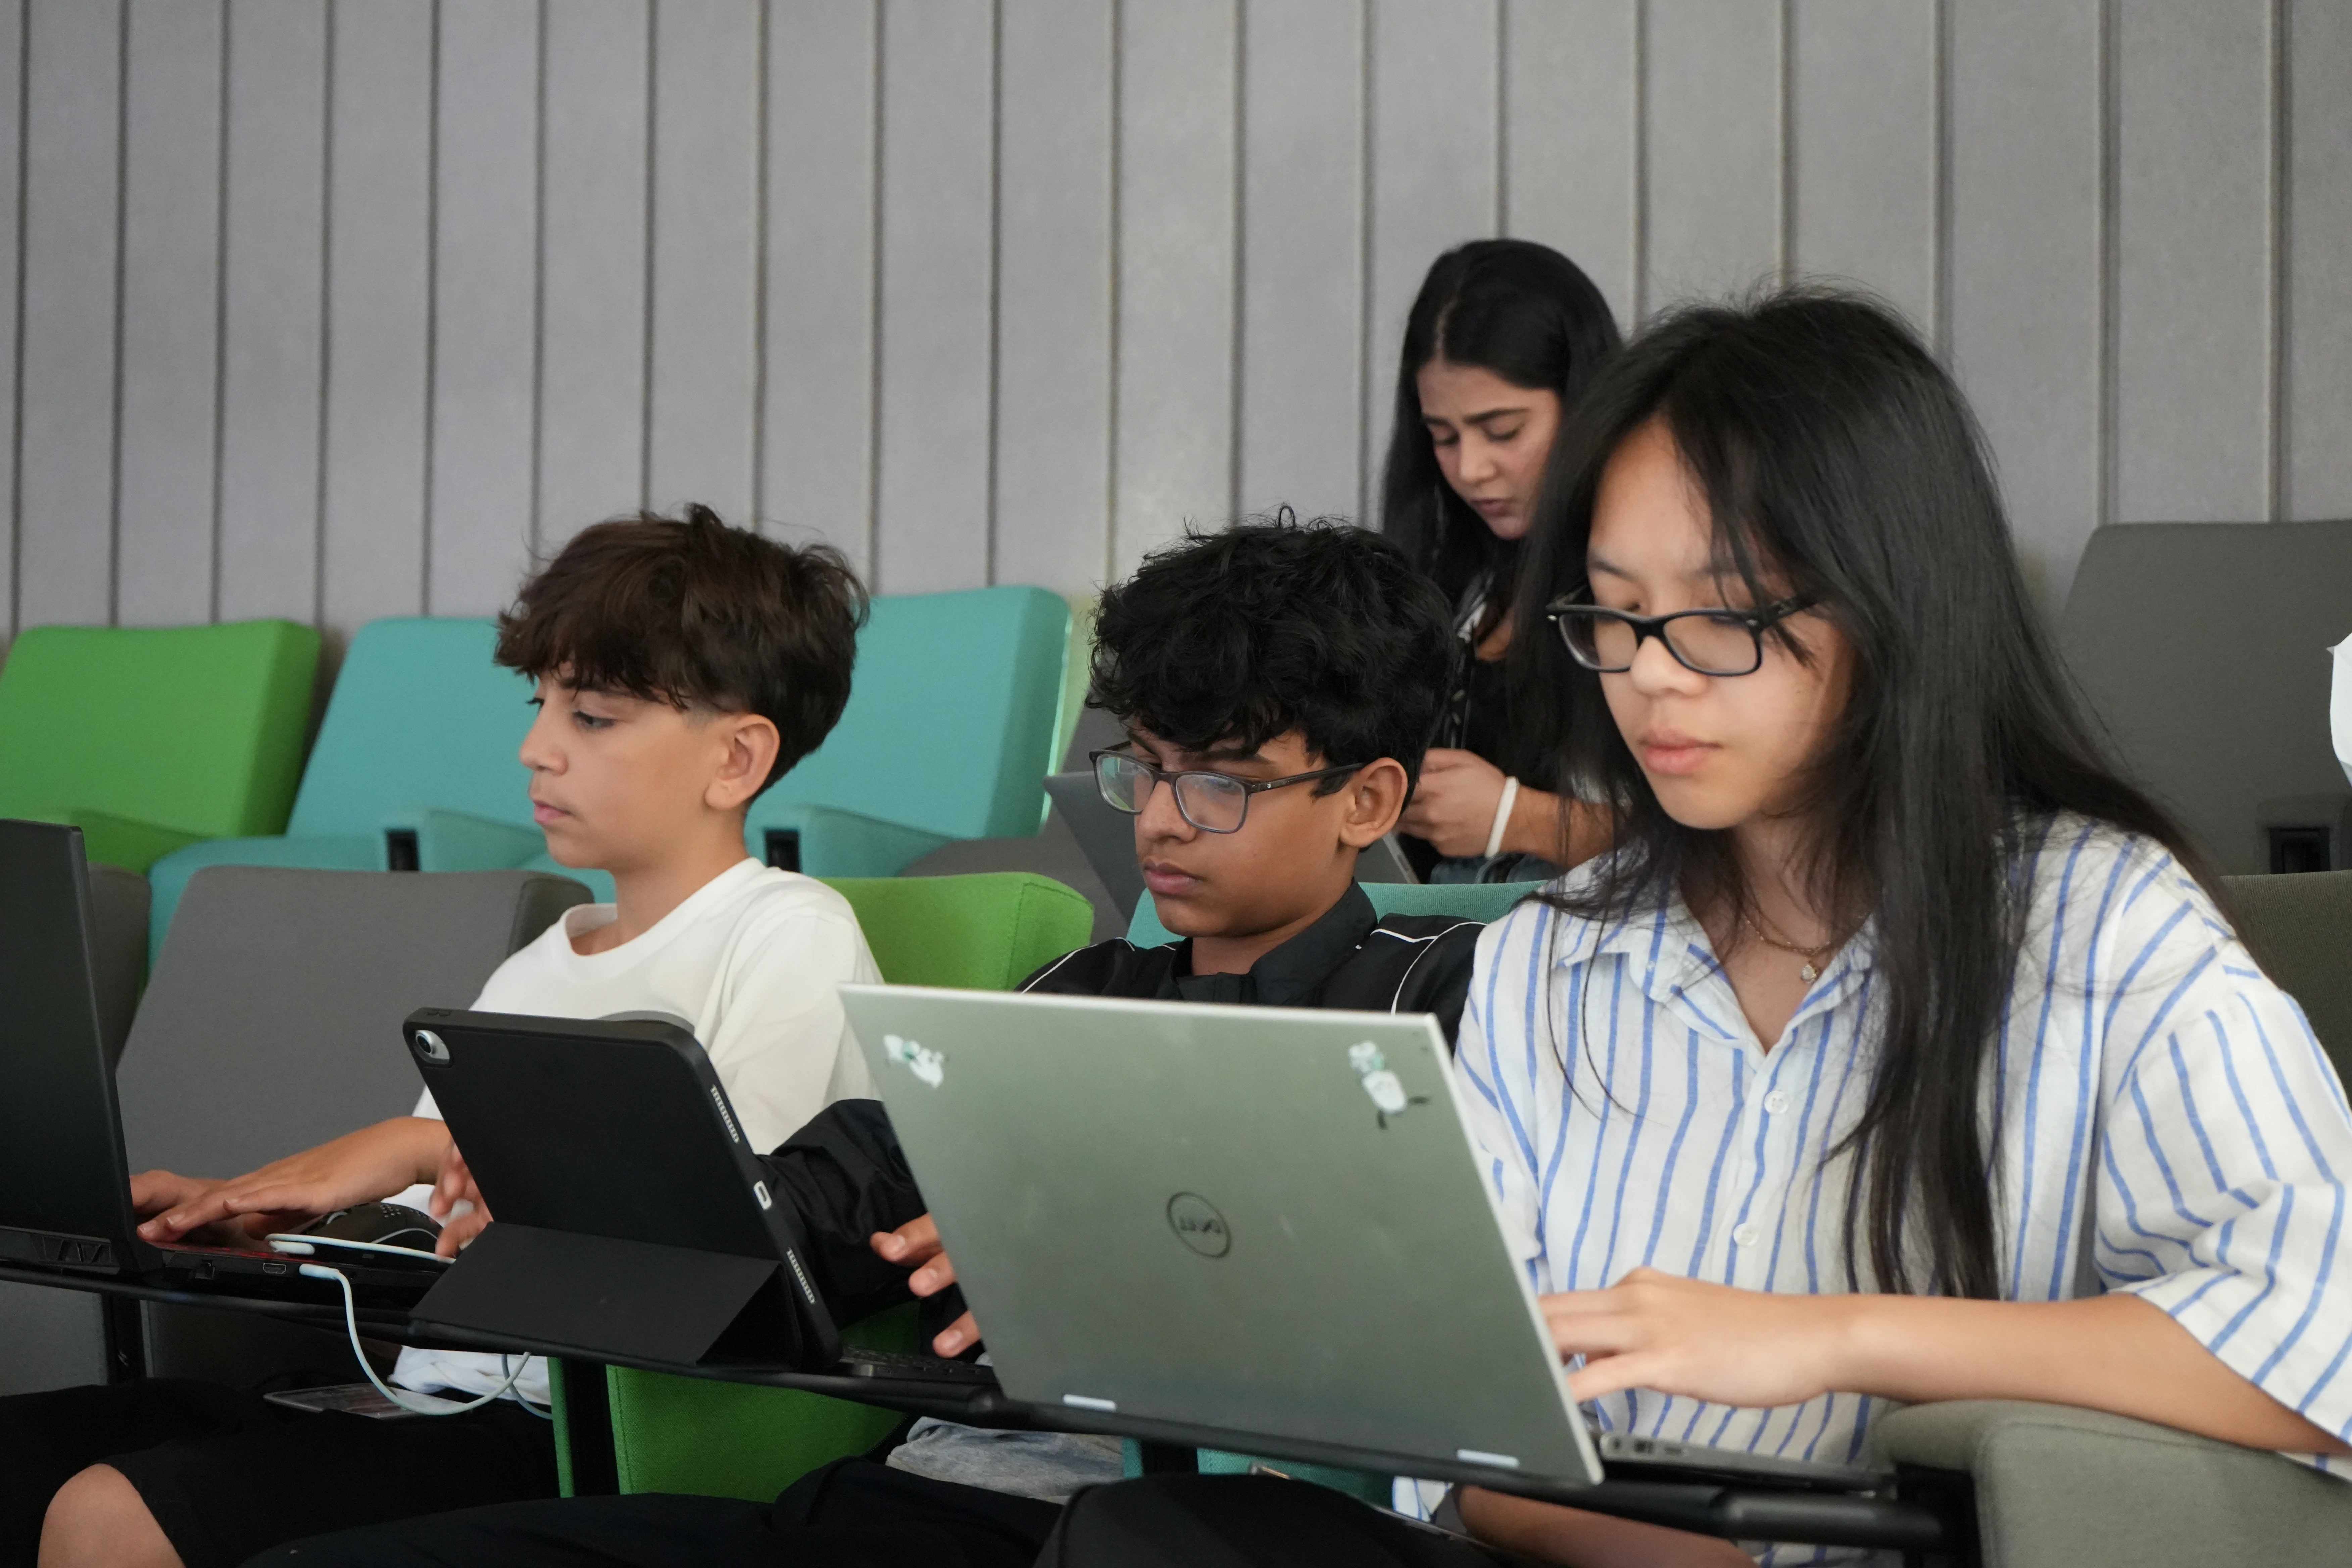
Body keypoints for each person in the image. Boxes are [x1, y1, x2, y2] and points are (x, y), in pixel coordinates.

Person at [1025, 289, 2352, 1566]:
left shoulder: (2100, 925)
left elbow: (2315, 1332)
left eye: (1720, 613)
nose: (1651, 671)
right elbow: (1471, 1419)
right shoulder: (1556, 952)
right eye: (1616, 611)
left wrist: (1835, 1338)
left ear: (1897, 608)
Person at [246, 517, 1493, 1568]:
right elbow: (828, 1198)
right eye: (1143, 771)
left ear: (1367, 801)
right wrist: (537, 1182)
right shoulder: (1071, 993)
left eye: (1214, 783)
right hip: (914, 1491)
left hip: (1204, 1526)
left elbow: (1448, 1302)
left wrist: (1099, 1236)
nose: (1159, 820)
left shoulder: (1434, 1002)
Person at [13, 507, 882, 1568]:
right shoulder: (538, 964)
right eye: (540, 703)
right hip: (411, 1399)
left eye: (593, 717)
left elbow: (727, 1235)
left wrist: (423, 1143)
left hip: (566, 1429)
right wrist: (270, 1237)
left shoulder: (787, 933)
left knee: (112, 1515)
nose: (535, 746)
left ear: (738, 758)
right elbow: (443, 1232)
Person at [1380, 238, 1620, 884]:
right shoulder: (1458, 578)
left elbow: (1729, 838)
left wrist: (1520, 818)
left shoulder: (1644, 581)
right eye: (1443, 437)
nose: (1471, 469)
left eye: (1504, 431)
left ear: (1586, 404)